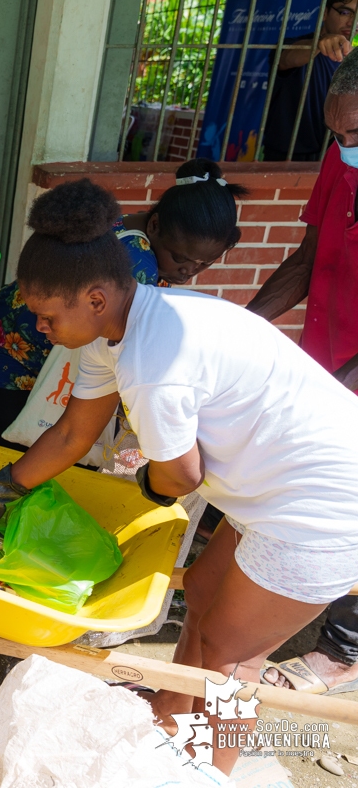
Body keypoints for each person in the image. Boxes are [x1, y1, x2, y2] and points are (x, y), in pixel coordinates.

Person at [0, 178, 358, 776]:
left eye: (45, 316)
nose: (39, 329)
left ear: (94, 298)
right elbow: (73, 433)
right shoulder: (115, 332)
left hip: (323, 506)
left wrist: (141, 489)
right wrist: (4, 489)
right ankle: (171, 716)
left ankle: (208, 771)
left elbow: (178, 477)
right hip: (276, 491)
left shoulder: (155, 360)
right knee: (200, 593)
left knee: (232, 657)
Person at [0, 158, 248, 448]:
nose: (188, 271)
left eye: (205, 263)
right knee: (15, 454)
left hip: (8, 328)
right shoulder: (136, 267)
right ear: (155, 225)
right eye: (180, 258)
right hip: (8, 356)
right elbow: (124, 354)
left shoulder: (136, 224)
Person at [250, 49, 358, 695]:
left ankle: (343, 648)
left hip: (345, 380)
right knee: (227, 652)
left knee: (227, 654)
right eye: (337, 136)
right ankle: (209, 759)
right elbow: (308, 255)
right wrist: (241, 330)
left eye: (355, 136)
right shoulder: (342, 161)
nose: (344, 148)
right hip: (326, 365)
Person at [262, 0, 358, 162]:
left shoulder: (353, 60)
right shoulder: (295, 45)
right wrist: (317, 45)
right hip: (287, 158)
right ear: (325, 13)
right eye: (345, 12)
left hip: (335, 158)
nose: (353, 22)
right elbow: (286, 58)